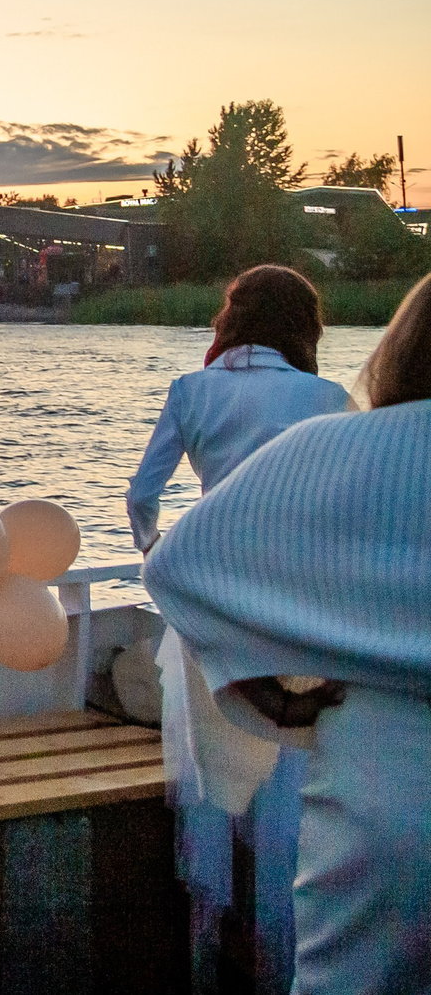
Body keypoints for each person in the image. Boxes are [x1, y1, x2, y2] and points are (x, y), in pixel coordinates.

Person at [145, 273, 431, 995]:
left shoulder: (337, 443)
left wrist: (266, 692)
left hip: (386, 767)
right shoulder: (320, 404)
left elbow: (176, 563)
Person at [126, 264, 350, 552]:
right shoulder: (332, 398)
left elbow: (142, 497)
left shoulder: (189, 391)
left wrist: (150, 546)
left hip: (218, 561)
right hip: (301, 565)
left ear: (230, 320)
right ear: (305, 328)